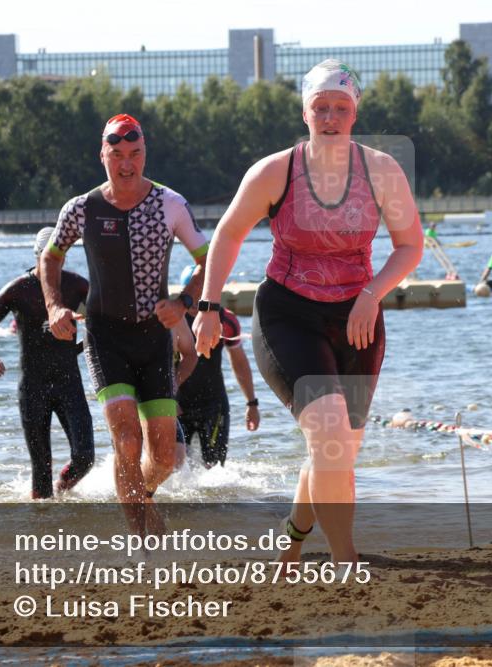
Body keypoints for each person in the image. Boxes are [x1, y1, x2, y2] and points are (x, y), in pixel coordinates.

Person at [193, 60, 423, 564]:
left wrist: (372, 294)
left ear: (354, 115)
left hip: (358, 319)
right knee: (330, 435)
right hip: (288, 315)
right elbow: (228, 235)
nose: (331, 117)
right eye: (321, 107)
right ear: (305, 113)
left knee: (336, 450)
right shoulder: (276, 171)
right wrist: (209, 305)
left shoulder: (381, 171)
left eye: (341, 108)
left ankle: (291, 537)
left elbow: (410, 246)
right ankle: (346, 559)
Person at [41, 113, 209, 537]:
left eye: (134, 154)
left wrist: (185, 302)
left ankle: (141, 495)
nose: (126, 164)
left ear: (144, 153)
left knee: (165, 457)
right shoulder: (81, 208)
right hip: (105, 336)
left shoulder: (170, 204)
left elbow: (208, 260)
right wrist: (54, 306)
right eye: (117, 155)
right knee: (127, 439)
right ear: (103, 156)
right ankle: (140, 539)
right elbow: (51, 257)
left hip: (154, 339)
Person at [0, 227, 95, 499]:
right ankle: (42, 528)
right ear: (37, 255)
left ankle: (62, 491)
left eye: (59, 257)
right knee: (41, 472)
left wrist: (85, 345)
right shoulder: (19, 290)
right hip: (33, 388)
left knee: (85, 458)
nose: (54, 264)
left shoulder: (77, 286)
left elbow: (101, 325)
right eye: (48, 257)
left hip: (69, 383)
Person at [175, 265, 260, 468]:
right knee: (173, 471)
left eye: (202, 292)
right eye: (192, 292)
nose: (196, 300)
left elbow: (239, 362)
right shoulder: (173, 320)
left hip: (213, 405)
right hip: (177, 404)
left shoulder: (225, 319)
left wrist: (252, 403)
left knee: (214, 472)